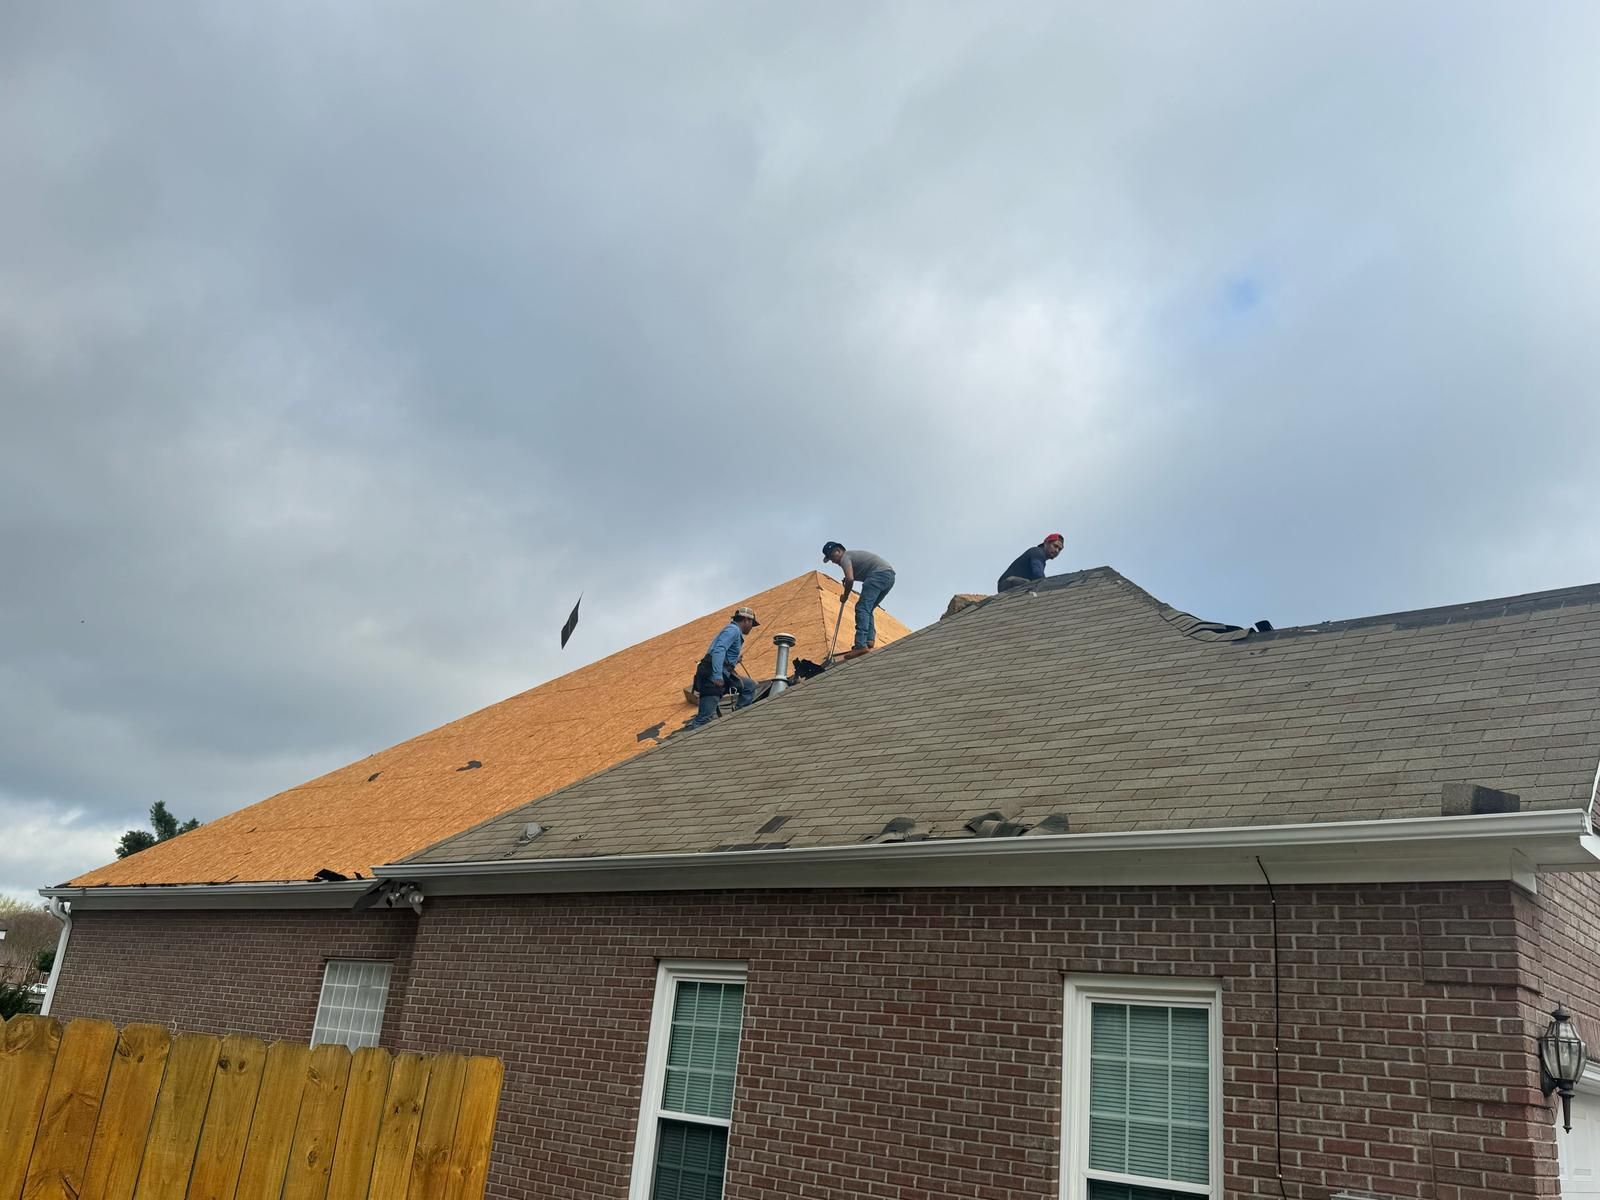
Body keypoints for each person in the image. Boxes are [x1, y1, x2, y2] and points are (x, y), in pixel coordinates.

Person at [822, 541, 895, 660]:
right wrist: (848, 579)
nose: (832, 561)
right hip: (889, 576)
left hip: (877, 575)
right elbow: (851, 576)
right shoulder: (852, 556)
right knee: (868, 609)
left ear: (838, 551)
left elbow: (850, 579)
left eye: (831, 556)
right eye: (829, 559)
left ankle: (861, 645)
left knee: (861, 608)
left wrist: (845, 595)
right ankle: (869, 640)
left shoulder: (845, 558)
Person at [690, 606, 760, 727]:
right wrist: (717, 675)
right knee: (704, 718)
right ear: (746, 620)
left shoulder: (733, 631)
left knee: (749, 686)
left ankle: (737, 720)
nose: (751, 627)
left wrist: (734, 661)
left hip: (723, 675)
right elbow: (719, 650)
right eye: (752, 623)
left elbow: (721, 652)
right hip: (712, 677)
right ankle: (689, 740)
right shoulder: (733, 630)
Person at [997, 532, 1065, 592]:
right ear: (1046, 543)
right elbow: (1038, 575)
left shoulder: (1040, 557)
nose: (1057, 550)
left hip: (1011, 583)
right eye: (1055, 546)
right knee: (1035, 585)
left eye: (1059, 549)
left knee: (1033, 586)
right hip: (1007, 583)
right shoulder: (1037, 552)